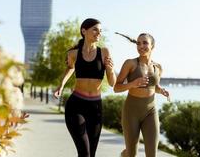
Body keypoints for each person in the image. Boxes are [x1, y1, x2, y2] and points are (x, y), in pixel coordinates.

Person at [53, 18, 116, 157]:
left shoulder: (104, 52)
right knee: (84, 152)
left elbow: (112, 83)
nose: (98, 33)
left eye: (100, 31)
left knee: (91, 154)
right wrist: (61, 85)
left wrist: (110, 70)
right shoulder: (73, 54)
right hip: (76, 105)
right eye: (95, 30)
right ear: (84, 31)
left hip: (95, 107)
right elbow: (70, 68)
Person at [114, 32, 170, 157]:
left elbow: (153, 86)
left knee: (152, 153)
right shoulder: (130, 63)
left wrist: (161, 91)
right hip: (131, 111)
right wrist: (132, 84)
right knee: (132, 154)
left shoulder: (158, 67)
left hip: (150, 111)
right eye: (138, 43)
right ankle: (126, 154)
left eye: (145, 43)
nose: (141, 46)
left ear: (152, 46)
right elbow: (116, 88)